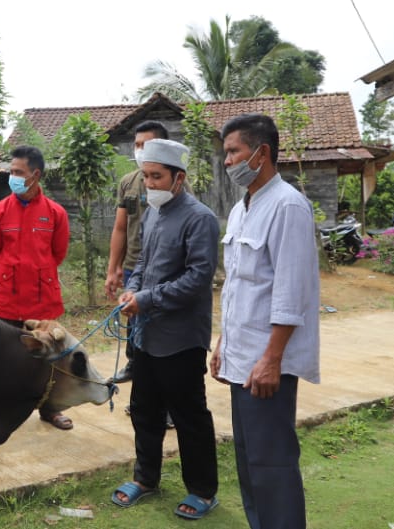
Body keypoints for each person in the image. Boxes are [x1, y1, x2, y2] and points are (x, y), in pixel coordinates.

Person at [210, 113, 320, 529]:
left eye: (234, 151)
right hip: (241, 356)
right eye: (226, 153)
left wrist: (272, 358)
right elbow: (239, 286)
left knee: (272, 463)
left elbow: (292, 293)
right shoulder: (242, 208)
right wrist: (223, 342)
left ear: (262, 153)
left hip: (266, 361)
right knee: (250, 459)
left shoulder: (288, 205)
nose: (228, 161)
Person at [111, 139, 220, 519]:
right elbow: (142, 263)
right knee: (144, 410)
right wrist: (131, 289)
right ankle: (146, 478)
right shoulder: (154, 214)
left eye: (157, 177)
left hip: (181, 338)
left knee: (189, 415)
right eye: (146, 176)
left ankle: (203, 490)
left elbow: (198, 278)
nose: (150, 184)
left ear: (179, 178)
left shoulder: (200, 218)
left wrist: (148, 299)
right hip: (147, 336)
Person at [0, 145, 73, 430]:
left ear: (35, 175)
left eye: (18, 172)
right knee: (5, 357)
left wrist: (36, 271)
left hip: (41, 298)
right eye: (11, 171)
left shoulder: (56, 213)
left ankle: (50, 409)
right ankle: (3, 412)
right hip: (6, 297)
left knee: (48, 356)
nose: (12, 176)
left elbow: (58, 253)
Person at [105, 120, 169, 386]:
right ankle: (134, 364)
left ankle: (161, 388)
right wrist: (113, 268)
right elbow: (121, 227)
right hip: (134, 266)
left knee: (159, 329)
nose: (140, 150)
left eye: (147, 145)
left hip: (164, 269)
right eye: (137, 145)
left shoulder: (174, 182)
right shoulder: (128, 182)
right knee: (133, 321)